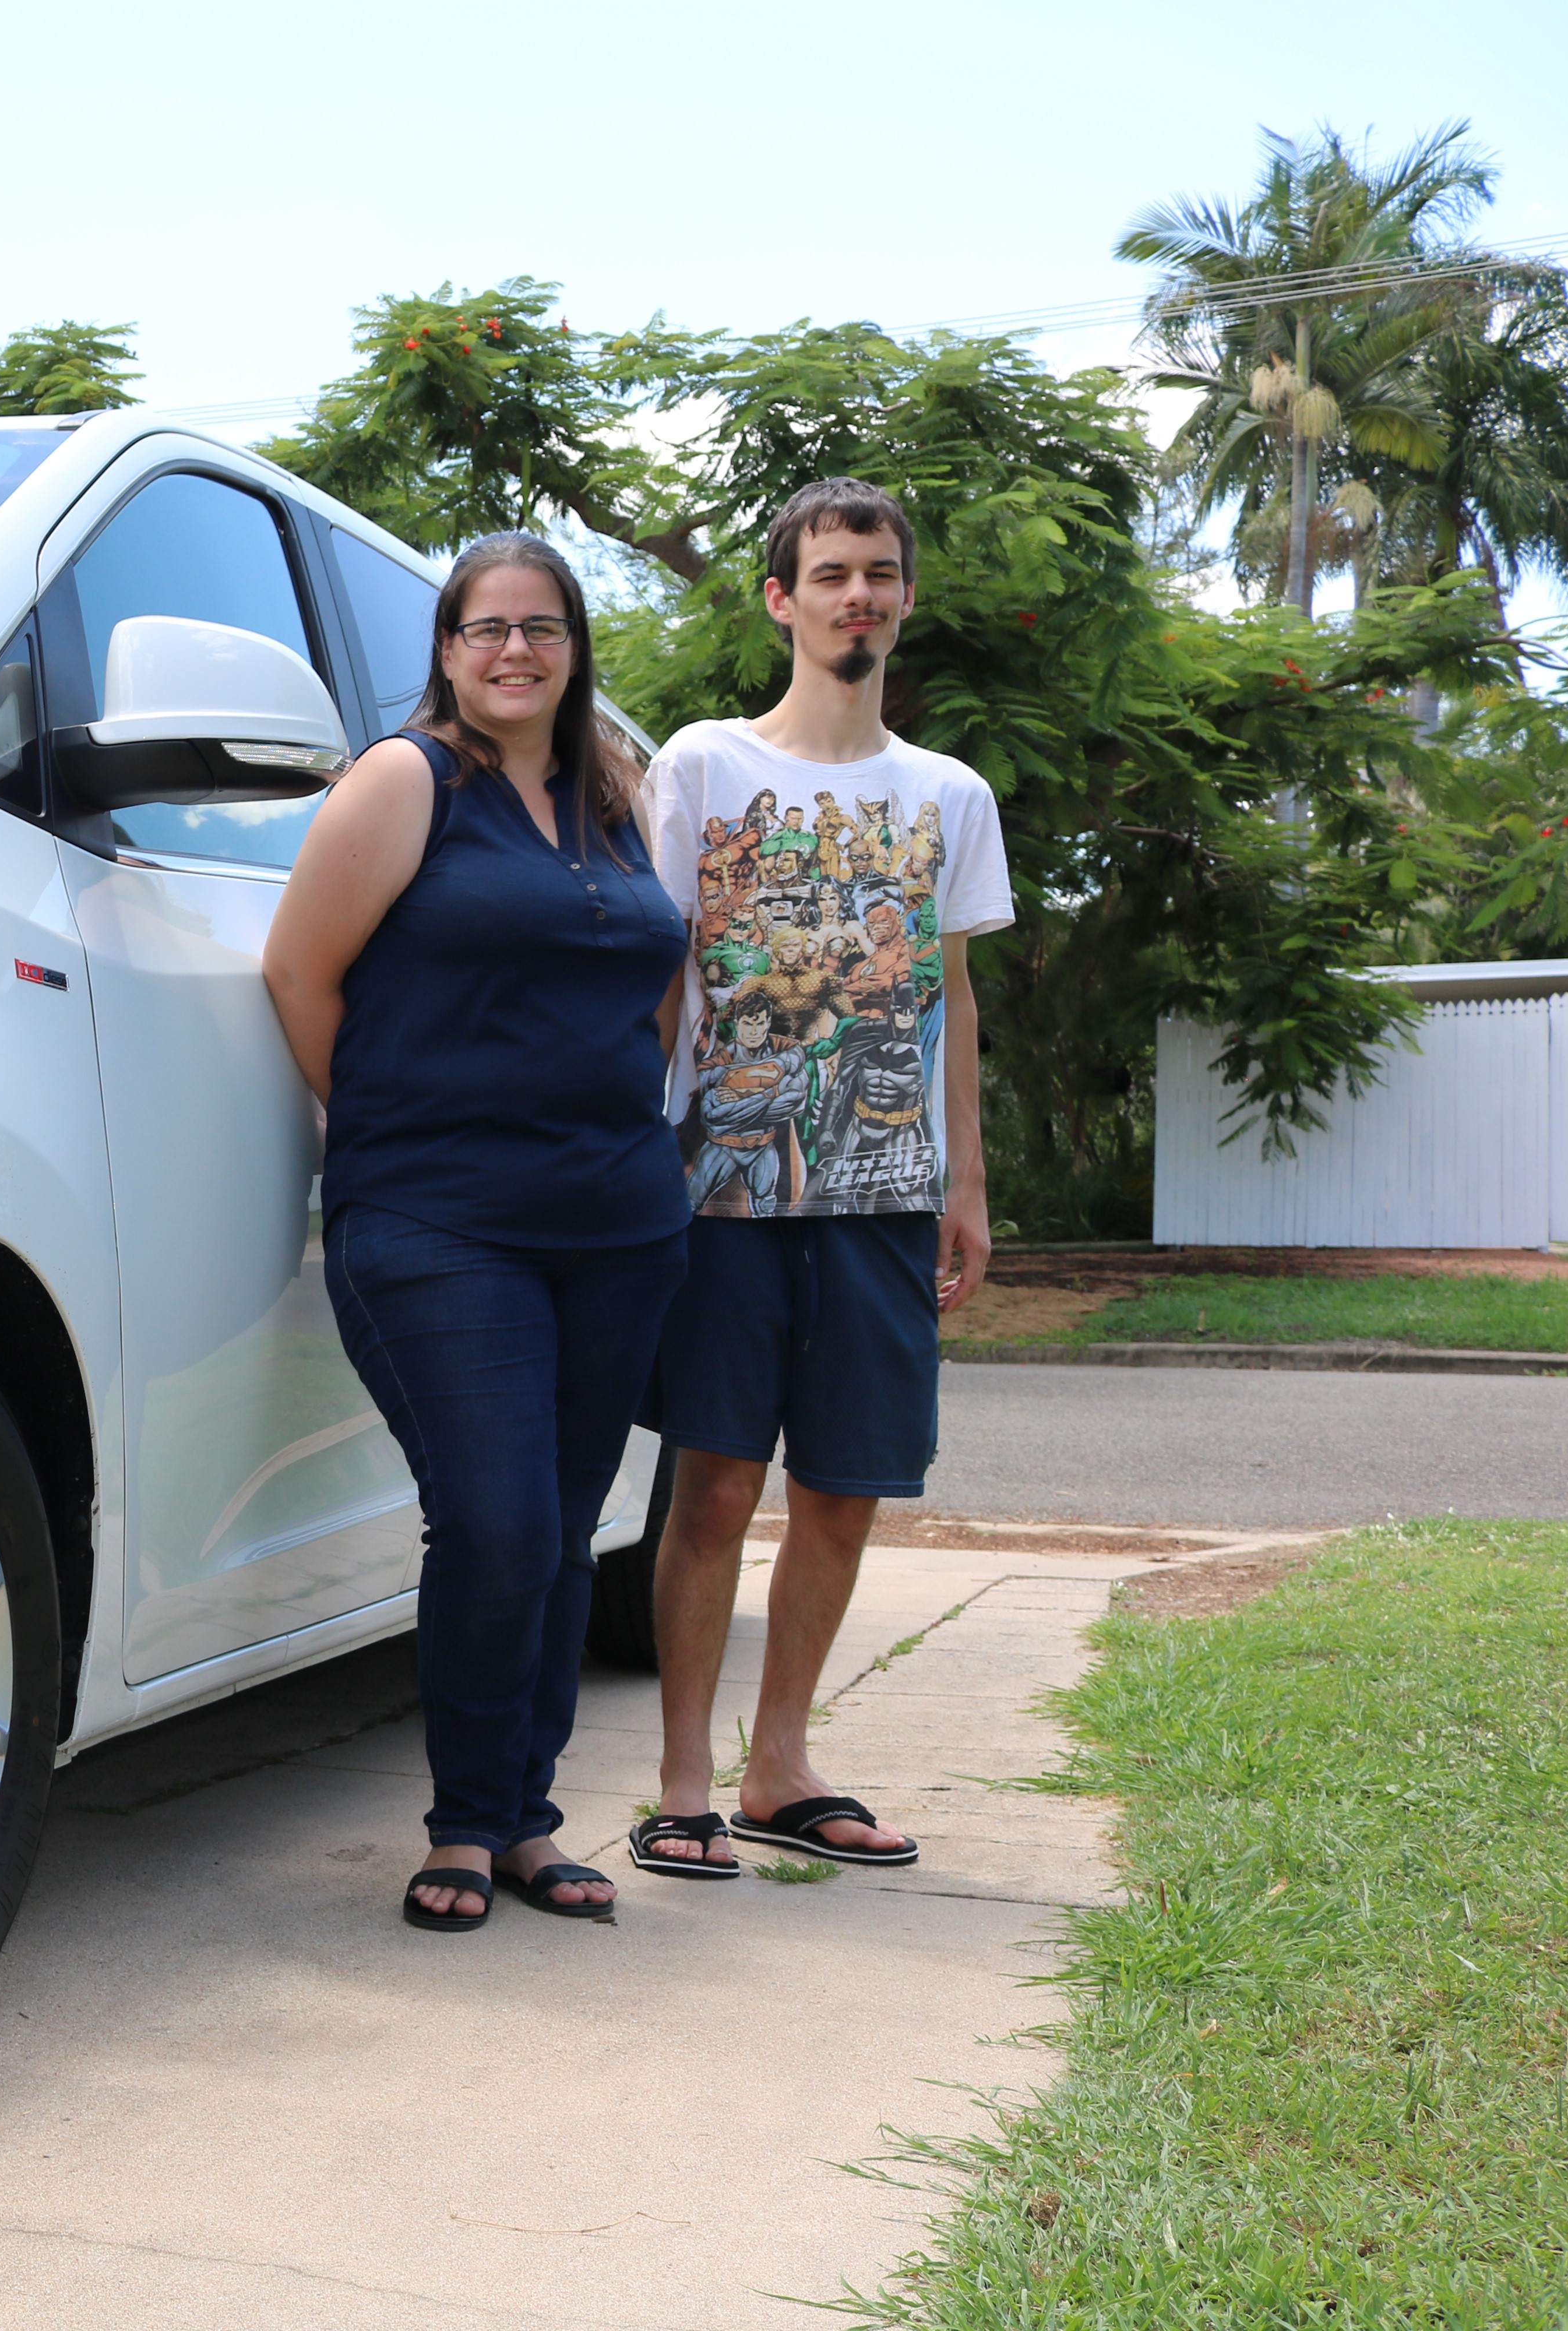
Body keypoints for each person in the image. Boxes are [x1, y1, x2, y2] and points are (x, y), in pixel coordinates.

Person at [263, 532, 690, 1935]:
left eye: (542, 626)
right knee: (496, 1518)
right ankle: (462, 1817)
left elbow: (656, 985)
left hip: (618, 1222)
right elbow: (299, 970)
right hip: (439, 1218)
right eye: (486, 627)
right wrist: (394, 1124)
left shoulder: (614, 792)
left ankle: (524, 1817)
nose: (516, 649)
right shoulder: (407, 781)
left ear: (574, 648)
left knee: (564, 1529)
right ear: (447, 650)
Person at [625, 479, 1014, 1881]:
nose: (861, 594)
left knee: (847, 1489)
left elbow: (952, 994)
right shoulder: (704, 765)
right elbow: (655, 974)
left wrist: (966, 1181)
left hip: (886, 1191)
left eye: (881, 572)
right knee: (715, 1486)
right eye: (834, 572)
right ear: (781, 599)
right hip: (719, 1189)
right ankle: (682, 1776)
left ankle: (779, 1764)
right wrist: (631, 1148)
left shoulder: (950, 794)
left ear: (907, 598)